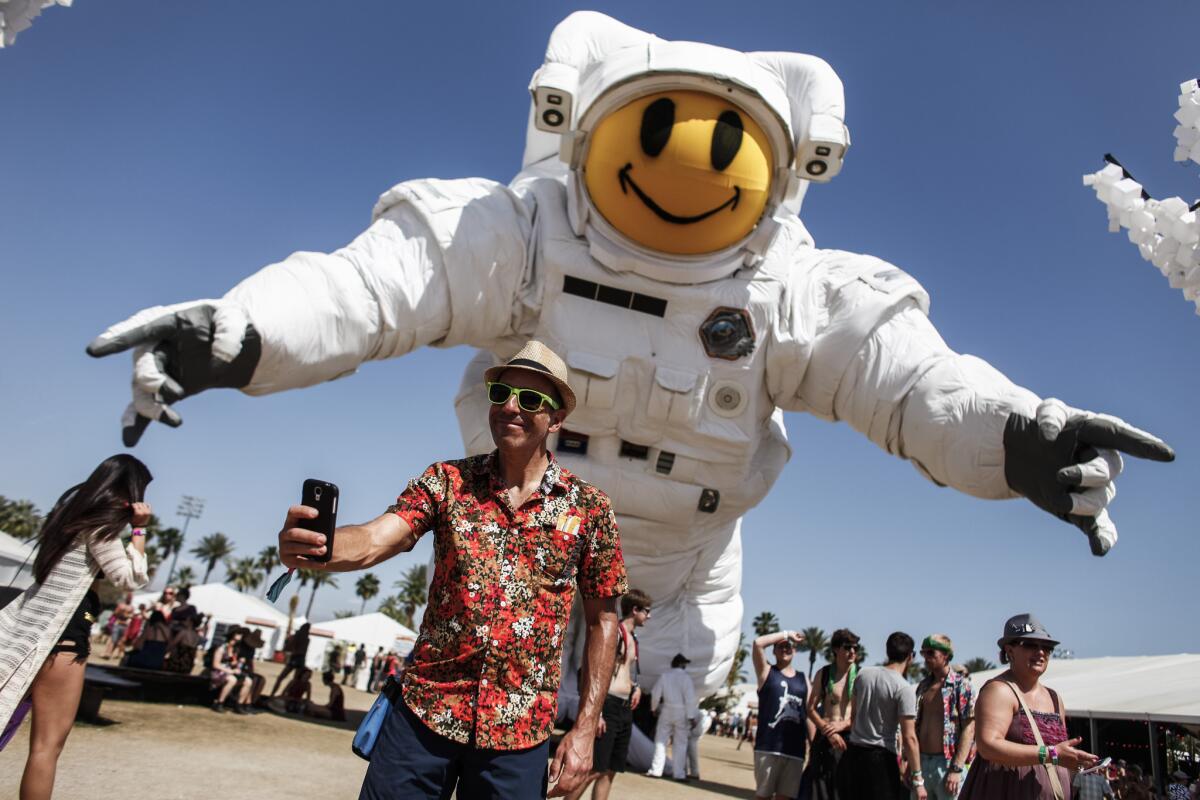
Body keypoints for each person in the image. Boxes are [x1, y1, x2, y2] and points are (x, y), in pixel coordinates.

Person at [278, 341, 627, 799]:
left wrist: (583, 733)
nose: (511, 407)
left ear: (556, 419)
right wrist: (322, 547)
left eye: (531, 400)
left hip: (518, 732)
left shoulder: (589, 509)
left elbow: (604, 621)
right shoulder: (447, 482)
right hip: (424, 714)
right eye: (502, 393)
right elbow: (381, 536)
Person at [0, 454, 152, 800]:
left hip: (32, 628)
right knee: (46, 747)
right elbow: (130, 577)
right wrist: (140, 531)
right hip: (65, 636)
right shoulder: (100, 526)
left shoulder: (66, 518)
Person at [959, 614, 1098, 799]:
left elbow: (1058, 754)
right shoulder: (999, 691)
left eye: (1047, 647)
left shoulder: (1054, 698)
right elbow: (988, 746)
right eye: (1031, 644)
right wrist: (1051, 753)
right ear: (1010, 650)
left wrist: (1077, 762)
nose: (1041, 652)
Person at [565, 588, 651, 800]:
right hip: (608, 707)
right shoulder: (615, 635)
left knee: (610, 771)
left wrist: (635, 686)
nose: (649, 616)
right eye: (646, 611)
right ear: (634, 610)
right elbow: (588, 672)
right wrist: (597, 713)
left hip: (624, 709)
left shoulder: (634, 639)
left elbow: (623, 673)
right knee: (593, 769)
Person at [837, 631, 926, 800]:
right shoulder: (903, 688)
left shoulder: (863, 674)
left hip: (852, 756)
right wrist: (918, 779)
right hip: (880, 762)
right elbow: (909, 737)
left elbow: (853, 715)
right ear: (910, 657)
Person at [915, 633, 976, 799]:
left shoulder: (961, 685)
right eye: (923, 653)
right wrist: (911, 763)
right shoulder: (923, 686)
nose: (926, 658)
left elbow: (969, 729)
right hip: (921, 762)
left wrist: (956, 768)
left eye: (931, 653)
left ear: (946, 655)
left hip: (947, 763)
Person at [750, 628, 809, 800]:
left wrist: (814, 744)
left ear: (795, 650)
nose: (785, 649)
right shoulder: (767, 672)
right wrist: (787, 635)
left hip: (795, 750)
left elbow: (810, 713)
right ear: (774, 651)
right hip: (768, 747)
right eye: (780, 646)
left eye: (788, 646)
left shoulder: (803, 679)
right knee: (763, 796)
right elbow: (758, 644)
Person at [804, 627, 861, 800]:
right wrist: (827, 730)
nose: (852, 651)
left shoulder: (860, 676)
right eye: (847, 647)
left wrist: (843, 725)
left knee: (842, 791)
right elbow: (810, 708)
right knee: (818, 790)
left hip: (849, 738)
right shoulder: (824, 673)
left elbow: (861, 713)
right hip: (824, 737)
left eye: (855, 648)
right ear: (836, 649)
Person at [647, 653, 697, 781]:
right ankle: (678, 774)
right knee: (680, 744)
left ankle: (656, 770)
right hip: (681, 712)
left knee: (660, 741)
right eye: (685, 663)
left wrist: (654, 708)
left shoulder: (665, 676)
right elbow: (690, 699)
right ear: (681, 664)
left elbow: (655, 693)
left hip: (667, 709)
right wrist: (691, 716)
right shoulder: (686, 678)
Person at [270, 622, 311, 697]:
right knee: (295, 680)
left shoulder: (297, 636)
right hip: (301, 659)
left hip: (294, 658)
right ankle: (288, 695)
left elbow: (289, 647)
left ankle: (273, 693)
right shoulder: (307, 639)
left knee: (281, 678)